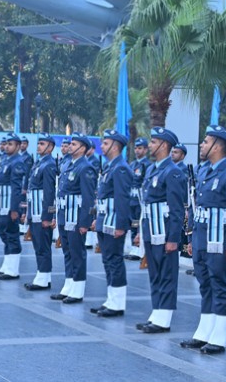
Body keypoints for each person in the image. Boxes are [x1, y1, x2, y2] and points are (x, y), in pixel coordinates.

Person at [180, 125, 226, 354]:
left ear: (218, 146)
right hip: (201, 238)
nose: (202, 145)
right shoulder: (203, 170)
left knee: (221, 285)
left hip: (219, 240)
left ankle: (219, 337)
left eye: (206, 142)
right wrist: (191, 237)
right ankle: (204, 332)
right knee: (205, 285)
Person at [136, 127, 187, 333]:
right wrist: (142, 231)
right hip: (151, 229)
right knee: (155, 274)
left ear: (164, 145)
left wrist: (173, 238)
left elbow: (176, 209)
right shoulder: (152, 169)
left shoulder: (173, 172)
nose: (150, 146)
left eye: (154, 142)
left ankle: (164, 318)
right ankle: (156, 312)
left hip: (165, 231)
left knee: (166, 274)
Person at [89, 129, 133, 317]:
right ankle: (110, 299)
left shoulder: (121, 168)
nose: (102, 146)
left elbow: (123, 199)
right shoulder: (109, 167)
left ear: (115, 146)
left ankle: (117, 303)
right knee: (108, 261)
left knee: (115, 261)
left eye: (106, 143)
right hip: (104, 220)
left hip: (114, 222)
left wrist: (122, 225)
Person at [48, 132, 96, 301]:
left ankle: (78, 288)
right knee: (68, 252)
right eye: (70, 144)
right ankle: (69, 285)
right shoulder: (69, 164)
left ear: (83, 148)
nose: (70, 146)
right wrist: (56, 216)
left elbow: (88, 198)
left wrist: (85, 222)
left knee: (77, 253)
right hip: (64, 215)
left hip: (75, 217)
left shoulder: (85, 167)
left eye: (74, 144)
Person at [23, 133, 57, 287]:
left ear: (50, 147)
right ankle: (44, 276)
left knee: (42, 246)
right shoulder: (39, 163)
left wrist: (48, 216)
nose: (39, 146)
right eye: (39, 143)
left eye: (43, 144)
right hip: (34, 211)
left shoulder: (49, 164)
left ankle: (43, 278)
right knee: (38, 244)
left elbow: (49, 192)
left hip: (41, 213)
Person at [0, 133, 26, 279]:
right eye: (6, 144)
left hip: (9, 205)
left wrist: (14, 209)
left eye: (11, 144)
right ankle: (6, 265)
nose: (7, 146)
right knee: (4, 234)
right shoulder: (5, 160)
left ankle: (13, 269)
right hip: (1, 203)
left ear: (18, 146)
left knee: (12, 235)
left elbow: (16, 188)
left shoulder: (17, 161)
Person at [125, 137, 152, 261]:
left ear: (146, 150)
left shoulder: (147, 165)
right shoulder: (132, 164)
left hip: (141, 199)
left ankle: (140, 249)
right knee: (133, 223)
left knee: (140, 224)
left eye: (140, 148)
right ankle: (134, 247)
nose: (137, 150)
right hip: (132, 199)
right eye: (135, 148)